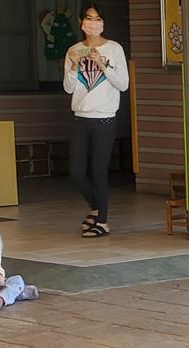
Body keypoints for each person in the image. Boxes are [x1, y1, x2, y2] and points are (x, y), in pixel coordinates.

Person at [64, 3, 129, 238]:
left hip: (104, 119)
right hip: (80, 118)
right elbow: (68, 87)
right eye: (89, 18)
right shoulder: (74, 49)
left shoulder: (114, 49)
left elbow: (123, 84)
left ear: (104, 23)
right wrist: (73, 65)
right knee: (76, 172)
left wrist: (103, 65)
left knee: (99, 171)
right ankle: (96, 208)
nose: (93, 23)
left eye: (98, 19)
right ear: (81, 22)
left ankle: (102, 221)